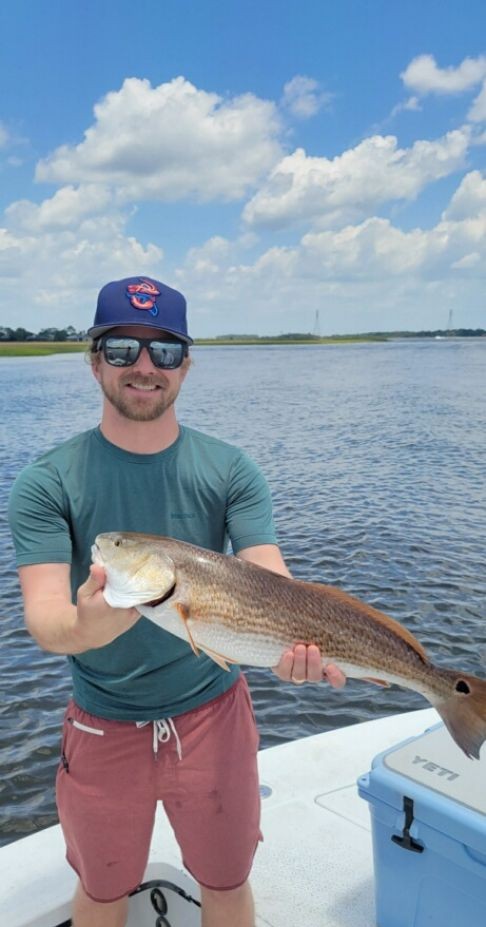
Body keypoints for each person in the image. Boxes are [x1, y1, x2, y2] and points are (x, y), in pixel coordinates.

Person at [8, 276, 345, 927]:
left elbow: (269, 573)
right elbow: (46, 618)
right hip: (102, 723)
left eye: (164, 350)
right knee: (102, 891)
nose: (144, 365)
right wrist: (87, 627)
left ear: (185, 365)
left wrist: (300, 640)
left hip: (215, 716)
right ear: (94, 360)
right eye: (122, 348)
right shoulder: (46, 482)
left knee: (227, 880)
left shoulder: (231, 468)